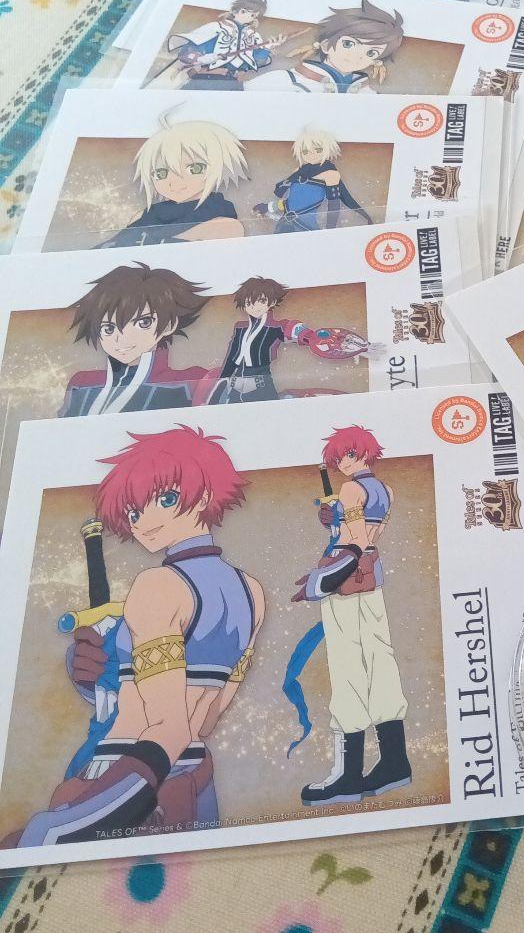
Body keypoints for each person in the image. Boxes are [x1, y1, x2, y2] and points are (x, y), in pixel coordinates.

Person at [12, 426, 263, 847]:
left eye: (164, 499)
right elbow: (205, 718)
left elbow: (168, 726)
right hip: (194, 777)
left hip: (131, 777)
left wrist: (73, 818)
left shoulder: (157, 585)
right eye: (132, 512)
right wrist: (105, 675)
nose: (143, 521)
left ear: (204, 495)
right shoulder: (251, 590)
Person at [291, 426, 411, 805]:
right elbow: (369, 536)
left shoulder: (350, 489)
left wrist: (324, 578)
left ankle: (348, 776)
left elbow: (356, 541)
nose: (342, 463)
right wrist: (335, 523)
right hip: (372, 576)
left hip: (347, 574)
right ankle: (395, 762)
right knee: (379, 662)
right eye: (338, 458)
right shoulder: (386, 490)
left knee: (347, 668)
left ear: (362, 453)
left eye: (347, 455)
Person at [60, 264, 211, 416]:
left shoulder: (192, 381)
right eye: (108, 328)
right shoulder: (81, 383)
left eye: (143, 323)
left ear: (168, 325)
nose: (122, 338)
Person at [100, 120, 247, 247]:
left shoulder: (224, 225)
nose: (175, 183)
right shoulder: (143, 216)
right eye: (161, 173)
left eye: (194, 169)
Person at [208, 277, 329, 405]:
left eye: (261, 301)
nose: (254, 306)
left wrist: (311, 338)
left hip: (260, 387)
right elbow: (231, 358)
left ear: (272, 302)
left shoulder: (275, 328)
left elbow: (292, 330)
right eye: (248, 302)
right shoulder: (240, 328)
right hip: (234, 389)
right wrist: (220, 384)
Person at [245, 1, 404, 94]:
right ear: (326, 45)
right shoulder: (284, 80)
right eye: (348, 44)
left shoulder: (368, 92)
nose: (357, 56)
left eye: (371, 52)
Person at [255, 129, 370, 232]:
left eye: (318, 150)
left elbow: (333, 206)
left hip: (306, 228)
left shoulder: (330, 174)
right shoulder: (298, 171)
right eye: (305, 151)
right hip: (284, 225)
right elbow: (291, 202)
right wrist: (268, 207)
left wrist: (330, 230)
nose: (311, 155)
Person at [167, 0, 284, 90]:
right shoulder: (215, 28)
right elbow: (187, 53)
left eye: (253, 15)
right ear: (234, 11)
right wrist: (206, 58)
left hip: (235, 85)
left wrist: (266, 48)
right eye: (244, 11)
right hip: (206, 81)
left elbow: (256, 62)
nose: (248, 16)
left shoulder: (254, 36)